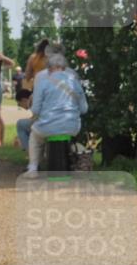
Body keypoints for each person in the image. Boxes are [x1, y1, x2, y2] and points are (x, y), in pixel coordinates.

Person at [21, 46, 88, 174]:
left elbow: (35, 110)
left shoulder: (41, 78)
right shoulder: (73, 77)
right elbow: (84, 109)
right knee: (66, 134)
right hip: (72, 126)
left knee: (35, 135)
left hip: (47, 126)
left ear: (49, 66)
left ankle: (33, 167)